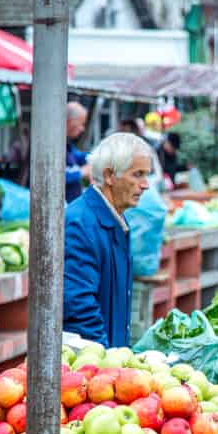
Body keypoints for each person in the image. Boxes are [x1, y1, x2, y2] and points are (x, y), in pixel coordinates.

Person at [63, 132, 152, 347]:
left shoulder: (116, 218)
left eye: (146, 175)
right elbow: (78, 304)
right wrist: (105, 360)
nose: (146, 184)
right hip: (89, 365)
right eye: (137, 175)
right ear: (110, 175)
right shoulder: (81, 223)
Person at [65, 101, 90, 202]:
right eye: (81, 123)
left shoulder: (66, 144)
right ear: (70, 121)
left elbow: (79, 156)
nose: (82, 129)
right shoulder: (51, 146)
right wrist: (82, 171)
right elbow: (54, 176)